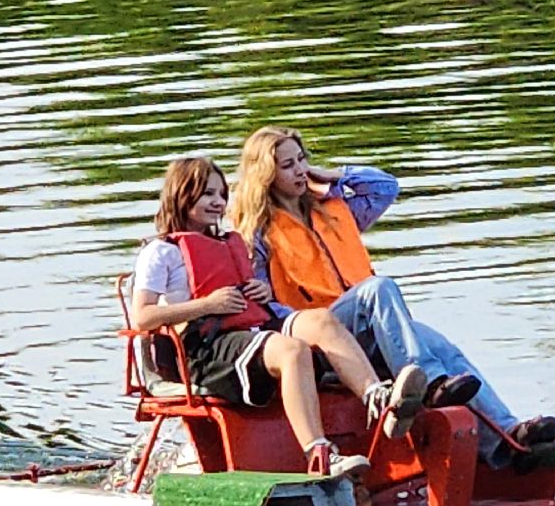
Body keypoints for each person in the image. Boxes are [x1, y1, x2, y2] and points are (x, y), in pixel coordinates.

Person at [228, 126, 555, 468]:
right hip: (322, 340)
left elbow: (386, 187)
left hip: (369, 325)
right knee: (380, 288)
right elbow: (265, 307)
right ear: (265, 174)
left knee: (441, 346)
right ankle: (429, 381)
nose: (299, 170)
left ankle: (507, 438)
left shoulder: (332, 208)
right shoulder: (256, 232)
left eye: (302, 160)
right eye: (287, 165)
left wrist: (334, 174)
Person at [131, 156, 427, 479]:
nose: (218, 203)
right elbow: (142, 317)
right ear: (181, 195)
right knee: (292, 350)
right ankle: (319, 454)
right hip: (206, 348)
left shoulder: (226, 242)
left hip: (250, 328)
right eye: (207, 195)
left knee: (320, 321)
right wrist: (206, 305)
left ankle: (379, 401)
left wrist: (260, 291)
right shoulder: (160, 252)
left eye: (220, 195)